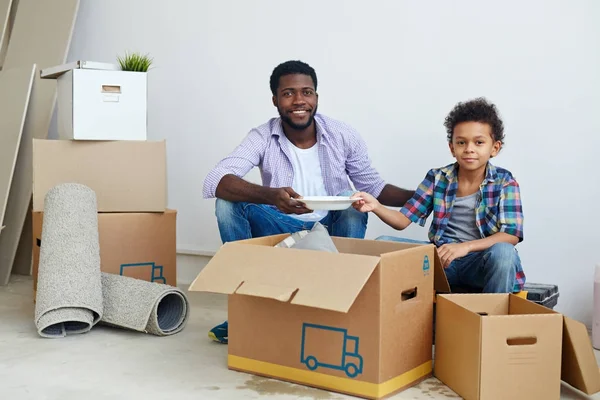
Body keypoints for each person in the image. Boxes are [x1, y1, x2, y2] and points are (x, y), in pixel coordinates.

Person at [203, 60, 414, 343]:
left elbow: (374, 188)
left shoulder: (342, 134)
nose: (299, 100)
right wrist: (271, 196)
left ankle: (339, 301)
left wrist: (423, 195)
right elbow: (216, 179)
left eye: (307, 92)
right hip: (281, 226)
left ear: (316, 96)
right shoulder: (262, 136)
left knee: (350, 200)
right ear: (275, 100)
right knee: (226, 204)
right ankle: (246, 305)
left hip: (331, 228)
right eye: (289, 93)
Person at [352, 97, 526, 294]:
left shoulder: (505, 182)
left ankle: (493, 316)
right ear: (452, 147)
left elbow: (511, 235)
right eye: (461, 142)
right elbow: (402, 220)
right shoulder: (438, 178)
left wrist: (465, 247)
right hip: (442, 262)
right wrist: (375, 206)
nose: (469, 149)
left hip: (479, 264)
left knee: (504, 252)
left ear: (494, 148)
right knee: (383, 243)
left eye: (478, 142)